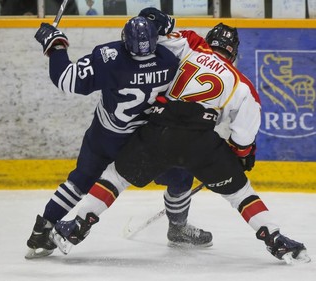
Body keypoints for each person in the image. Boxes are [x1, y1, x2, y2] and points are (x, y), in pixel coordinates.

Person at [51, 8, 311, 265]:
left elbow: (153, 35)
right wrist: (242, 155)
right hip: (200, 142)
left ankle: (77, 225)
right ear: (234, 54)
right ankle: (275, 238)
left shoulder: (189, 47)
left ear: (209, 42)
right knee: (241, 193)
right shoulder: (241, 84)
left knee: (115, 177)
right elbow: (243, 134)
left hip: (158, 130)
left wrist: (159, 20)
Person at [25, 15, 212, 259]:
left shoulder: (107, 57)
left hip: (105, 136)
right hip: (143, 143)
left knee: (80, 180)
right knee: (181, 174)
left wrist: (55, 45)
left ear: (125, 39)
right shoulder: (169, 61)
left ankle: (43, 228)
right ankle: (177, 228)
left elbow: (65, 79)